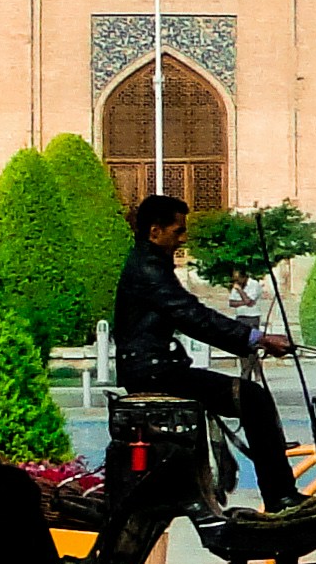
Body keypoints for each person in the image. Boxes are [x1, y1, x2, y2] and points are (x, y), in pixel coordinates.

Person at [112, 192, 302, 509]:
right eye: (178, 231)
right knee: (252, 398)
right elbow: (194, 317)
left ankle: (276, 492)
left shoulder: (149, 265)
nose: (183, 239)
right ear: (154, 232)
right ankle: (280, 496)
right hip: (155, 374)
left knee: (249, 397)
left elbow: (192, 315)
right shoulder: (148, 270)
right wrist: (257, 339)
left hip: (155, 369)